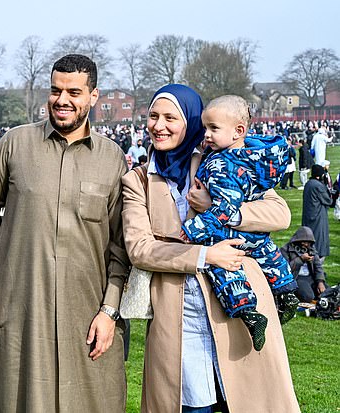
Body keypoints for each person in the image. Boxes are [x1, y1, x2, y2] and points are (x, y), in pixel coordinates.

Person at [0, 54, 130, 412]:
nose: (62, 100)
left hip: (87, 315)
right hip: (24, 312)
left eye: (74, 92)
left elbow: (121, 248)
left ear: (94, 96)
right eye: (55, 90)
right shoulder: (14, 145)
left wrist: (110, 311)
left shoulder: (112, 158)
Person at [121, 84, 299, 412]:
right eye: (153, 116)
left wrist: (224, 211)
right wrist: (204, 255)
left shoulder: (222, 160)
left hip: (239, 306)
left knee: (245, 399)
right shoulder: (139, 180)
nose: (158, 125)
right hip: (178, 315)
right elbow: (140, 248)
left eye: (170, 117)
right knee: (190, 405)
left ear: (190, 121)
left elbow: (279, 213)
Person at [180, 95, 298, 350]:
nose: (207, 135)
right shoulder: (252, 157)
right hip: (256, 236)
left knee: (225, 270)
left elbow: (227, 207)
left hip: (227, 235)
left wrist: (192, 229)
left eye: (213, 128)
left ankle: (249, 313)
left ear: (238, 131)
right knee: (270, 254)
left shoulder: (222, 163)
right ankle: (287, 291)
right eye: (205, 128)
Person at [280, 226, 328, 303]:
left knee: (327, 292)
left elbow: (318, 267)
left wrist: (320, 282)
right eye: (303, 241)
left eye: (307, 242)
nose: (305, 244)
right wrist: (301, 259)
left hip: (310, 277)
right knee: (308, 296)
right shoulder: (285, 250)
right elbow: (286, 269)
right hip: (297, 277)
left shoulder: (311, 249)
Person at [302, 164, 338, 260]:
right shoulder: (317, 186)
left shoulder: (309, 183)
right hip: (317, 216)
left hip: (308, 215)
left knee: (308, 239)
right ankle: (317, 267)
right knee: (319, 240)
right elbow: (328, 201)